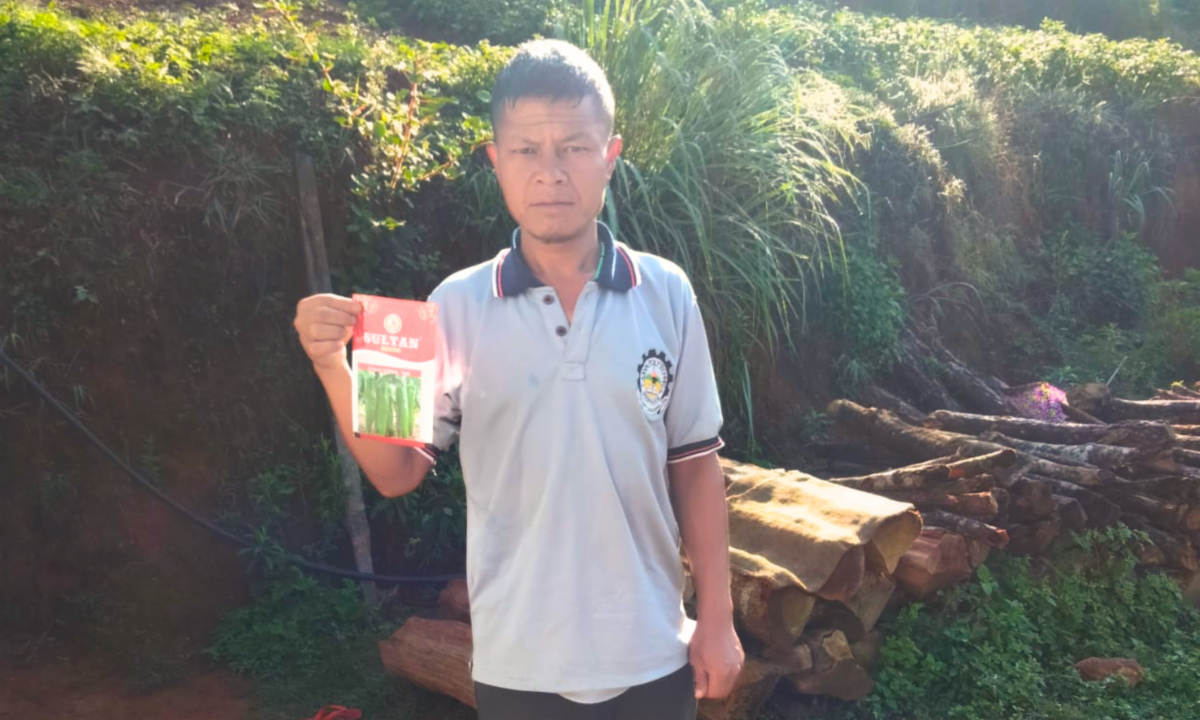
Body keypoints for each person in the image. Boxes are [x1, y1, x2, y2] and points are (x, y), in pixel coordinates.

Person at [293, 39, 743, 720]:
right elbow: (394, 472)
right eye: (527, 150)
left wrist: (718, 619)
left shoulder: (666, 293)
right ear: (496, 160)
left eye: (575, 148)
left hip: (653, 652)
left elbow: (696, 466)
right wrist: (332, 364)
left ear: (610, 156)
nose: (550, 172)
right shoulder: (450, 306)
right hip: (518, 665)